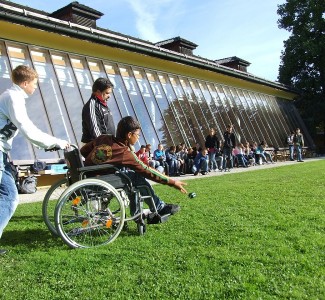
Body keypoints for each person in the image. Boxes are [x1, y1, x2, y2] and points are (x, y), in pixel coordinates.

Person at [0, 65, 70, 255]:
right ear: (25, 83)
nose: (36, 87)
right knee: (9, 197)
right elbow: (28, 129)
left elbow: (28, 132)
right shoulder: (13, 97)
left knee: (9, 196)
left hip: (2, 154)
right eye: (35, 84)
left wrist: (48, 144)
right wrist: (56, 142)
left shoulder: (12, 97)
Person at [80, 116, 187, 218]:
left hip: (86, 178)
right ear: (129, 135)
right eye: (138, 135)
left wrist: (98, 164)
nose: (138, 138)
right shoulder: (124, 152)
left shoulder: (103, 138)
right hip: (99, 182)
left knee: (130, 177)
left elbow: (83, 151)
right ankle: (159, 207)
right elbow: (146, 170)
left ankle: (138, 213)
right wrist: (172, 182)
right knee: (136, 177)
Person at [81, 77, 115, 144]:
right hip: (95, 148)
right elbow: (95, 130)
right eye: (107, 93)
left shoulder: (103, 105)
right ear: (98, 92)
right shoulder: (92, 106)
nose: (109, 96)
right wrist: (105, 147)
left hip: (106, 145)